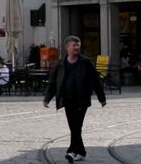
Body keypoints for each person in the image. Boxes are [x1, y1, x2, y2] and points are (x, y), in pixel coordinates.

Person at [43, 35, 106, 163]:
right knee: (74, 126)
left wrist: (101, 98)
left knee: (76, 125)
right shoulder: (61, 63)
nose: (77, 47)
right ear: (67, 47)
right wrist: (47, 98)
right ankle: (81, 152)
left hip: (81, 99)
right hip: (67, 99)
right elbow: (53, 82)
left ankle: (71, 151)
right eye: (74, 45)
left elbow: (95, 81)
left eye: (78, 45)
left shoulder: (86, 62)